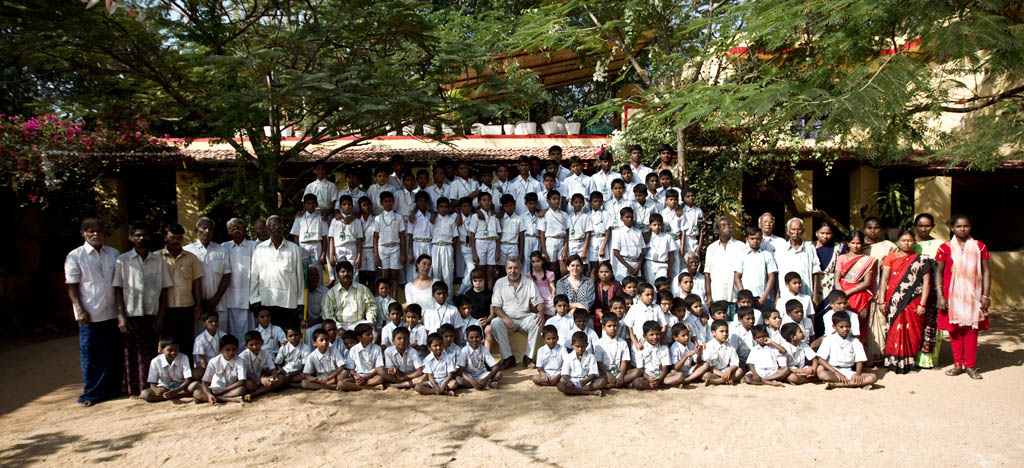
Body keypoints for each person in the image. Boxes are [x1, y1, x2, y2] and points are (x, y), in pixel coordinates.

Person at [65, 218, 122, 406]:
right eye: (91, 231)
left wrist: (121, 313)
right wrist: (79, 309)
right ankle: (91, 393)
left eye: (99, 231)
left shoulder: (113, 254)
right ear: (83, 234)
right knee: (91, 356)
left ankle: (112, 390)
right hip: (90, 315)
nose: (95, 234)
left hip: (111, 313)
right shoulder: (76, 256)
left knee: (112, 354)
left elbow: (119, 285)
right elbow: (72, 286)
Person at [112, 221, 173, 396]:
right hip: (131, 313)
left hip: (152, 314)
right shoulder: (122, 260)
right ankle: (134, 389)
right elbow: (118, 289)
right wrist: (121, 316)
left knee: (150, 353)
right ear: (131, 238)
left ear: (150, 237)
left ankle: (150, 388)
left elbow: (164, 289)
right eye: (137, 235)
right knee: (131, 353)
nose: (141, 238)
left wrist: (161, 315)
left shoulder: (158, 260)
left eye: (144, 235)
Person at [935, 214, 991, 379]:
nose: (962, 229)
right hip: (951, 295)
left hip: (973, 294)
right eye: (959, 226)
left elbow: (987, 272)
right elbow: (938, 272)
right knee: (955, 330)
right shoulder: (945, 248)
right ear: (952, 228)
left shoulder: (979, 247)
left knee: (971, 330)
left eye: (966, 226)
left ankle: (970, 366)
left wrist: (986, 295)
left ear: (970, 227)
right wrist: (940, 295)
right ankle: (958, 364)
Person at [878, 229, 934, 374]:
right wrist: (881, 300)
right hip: (894, 300)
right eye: (903, 241)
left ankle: (910, 362)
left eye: (909, 240)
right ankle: (892, 361)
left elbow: (927, 283)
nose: (906, 243)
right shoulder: (890, 258)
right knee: (894, 329)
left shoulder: (921, 259)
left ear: (914, 242)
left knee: (913, 330)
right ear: (898, 242)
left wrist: (922, 304)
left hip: (914, 300)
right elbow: (884, 280)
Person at [249, 215, 305, 331]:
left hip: (289, 302)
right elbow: (254, 276)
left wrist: (300, 301)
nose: (277, 227)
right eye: (273, 225)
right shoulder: (260, 249)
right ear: (267, 229)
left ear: (283, 227)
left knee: (290, 335)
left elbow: (299, 276)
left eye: (279, 224)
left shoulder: (294, 249)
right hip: (267, 301)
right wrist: (254, 299)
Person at [158, 223, 204, 359]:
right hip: (166, 308)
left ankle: (187, 370)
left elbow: (197, 282)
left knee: (186, 343)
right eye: (172, 238)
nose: (176, 241)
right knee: (168, 344)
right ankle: (169, 371)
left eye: (179, 238)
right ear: (165, 238)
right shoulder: (156, 257)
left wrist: (199, 305)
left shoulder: (191, 258)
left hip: (187, 307)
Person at [490, 257, 546, 369]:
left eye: (516, 268)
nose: (513, 271)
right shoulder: (500, 283)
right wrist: (505, 318)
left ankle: (528, 357)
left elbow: (539, 302)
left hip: (525, 319)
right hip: (508, 320)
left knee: (537, 321)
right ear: (506, 269)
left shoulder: (529, 282)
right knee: (495, 323)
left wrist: (540, 312)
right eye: (510, 268)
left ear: (520, 269)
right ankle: (508, 358)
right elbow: (496, 307)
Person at [185, 217, 232, 328]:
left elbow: (227, 275)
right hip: (197, 304)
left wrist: (215, 299)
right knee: (199, 335)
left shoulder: (221, 250)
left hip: (219, 303)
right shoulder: (187, 250)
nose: (207, 231)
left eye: (210, 229)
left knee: (220, 334)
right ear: (196, 231)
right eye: (204, 228)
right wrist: (199, 301)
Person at [911, 213, 944, 369]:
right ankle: (910, 357)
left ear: (933, 226)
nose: (923, 229)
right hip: (911, 292)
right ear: (915, 226)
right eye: (920, 226)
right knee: (913, 324)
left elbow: (944, 269)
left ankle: (929, 359)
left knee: (932, 324)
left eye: (927, 226)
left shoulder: (940, 245)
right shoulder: (907, 243)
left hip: (933, 291)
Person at [863, 217, 896, 364]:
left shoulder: (888, 246)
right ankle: (866, 356)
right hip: (863, 290)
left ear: (880, 229)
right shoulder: (859, 247)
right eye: (869, 228)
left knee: (881, 321)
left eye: (876, 228)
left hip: (882, 289)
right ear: (864, 229)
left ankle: (880, 354)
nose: (873, 231)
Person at [816, 312, 879, 388]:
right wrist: (836, 372)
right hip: (833, 371)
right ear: (834, 327)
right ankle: (856, 384)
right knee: (822, 374)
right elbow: (821, 359)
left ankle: (836, 384)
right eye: (841, 327)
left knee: (873, 377)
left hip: (848, 371)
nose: (845, 329)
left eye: (847, 326)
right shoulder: (828, 339)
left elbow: (859, 360)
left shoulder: (855, 341)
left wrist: (858, 374)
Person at [833, 230, 877, 340]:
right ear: (848, 243)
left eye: (858, 243)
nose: (855, 246)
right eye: (853, 243)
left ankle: (858, 347)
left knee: (859, 323)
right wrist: (841, 295)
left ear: (862, 244)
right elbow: (837, 280)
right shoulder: (842, 258)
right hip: (842, 294)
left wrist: (847, 292)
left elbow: (867, 282)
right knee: (842, 321)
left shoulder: (867, 260)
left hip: (859, 296)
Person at [222, 218, 257, 342]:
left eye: (239, 226)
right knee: (232, 330)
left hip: (249, 296)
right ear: (228, 231)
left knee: (250, 330)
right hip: (230, 297)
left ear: (245, 229)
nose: (236, 229)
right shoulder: (224, 247)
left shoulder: (253, 245)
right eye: (233, 227)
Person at [774, 218, 823, 305]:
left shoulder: (809, 247)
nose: (796, 232)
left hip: (806, 294)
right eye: (793, 229)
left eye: (798, 229)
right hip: (785, 295)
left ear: (803, 231)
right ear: (787, 231)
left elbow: (815, 272)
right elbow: (776, 274)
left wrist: (815, 295)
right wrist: (777, 295)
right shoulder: (781, 249)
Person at [321, 261, 377, 332]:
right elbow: (327, 313)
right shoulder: (331, 293)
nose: (346, 274)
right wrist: (338, 327)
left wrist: (370, 321)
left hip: (360, 323)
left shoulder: (363, 289)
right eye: (343, 272)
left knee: (372, 332)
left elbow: (372, 306)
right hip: (340, 325)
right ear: (337, 275)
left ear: (353, 273)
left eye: (348, 271)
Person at [703, 217, 745, 312]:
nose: (727, 227)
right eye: (723, 226)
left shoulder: (741, 246)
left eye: (729, 225)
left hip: (735, 296)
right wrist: (708, 295)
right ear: (717, 230)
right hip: (717, 295)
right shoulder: (711, 248)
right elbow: (707, 273)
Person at [733, 226, 778, 311]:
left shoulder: (767, 255)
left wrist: (764, 297)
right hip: (746, 299)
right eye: (752, 238)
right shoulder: (742, 255)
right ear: (747, 239)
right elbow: (737, 277)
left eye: (758, 239)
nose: (755, 241)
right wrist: (743, 296)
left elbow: (771, 277)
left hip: (762, 297)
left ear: (761, 239)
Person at [193, 334, 247, 404]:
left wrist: (222, 391)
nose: (231, 352)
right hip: (215, 389)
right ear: (221, 350)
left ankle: (213, 398)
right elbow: (204, 382)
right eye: (227, 350)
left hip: (230, 389)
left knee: (241, 390)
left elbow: (242, 381)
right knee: (196, 393)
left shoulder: (240, 361)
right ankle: (230, 399)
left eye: (234, 349)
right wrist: (209, 395)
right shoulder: (214, 361)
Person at [140, 336, 196, 402]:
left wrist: (175, 391)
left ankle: (173, 395)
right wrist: (156, 389)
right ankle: (172, 395)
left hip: (181, 387)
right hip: (164, 388)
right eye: (170, 350)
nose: (173, 352)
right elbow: (152, 383)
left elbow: (188, 380)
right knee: (145, 394)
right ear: (162, 350)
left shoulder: (184, 357)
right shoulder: (155, 361)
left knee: (195, 385)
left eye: (176, 349)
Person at [374, 191, 406, 295]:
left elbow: (402, 236)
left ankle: (394, 299)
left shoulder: (398, 217)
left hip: (395, 248)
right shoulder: (378, 218)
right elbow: (375, 238)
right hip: (383, 249)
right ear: (381, 203)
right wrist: (376, 256)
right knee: (385, 276)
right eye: (385, 201)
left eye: (390, 201)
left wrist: (403, 254)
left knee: (394, 276)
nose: (388, 203)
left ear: (393, 202)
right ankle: (385, 299)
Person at [594, 314, 638, 389]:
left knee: (637, 371)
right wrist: (608, 375)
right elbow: (599, 363)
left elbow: (624, 361)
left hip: (618, 373)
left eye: (614, 326)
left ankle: (614, 384)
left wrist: (621, 376)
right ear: (603, 327)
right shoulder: (599, 343)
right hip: (605, 374)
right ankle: (620, 384)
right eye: (609, 326)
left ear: (618, 326)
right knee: (599, 380)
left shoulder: (622, 342)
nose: (612, 328)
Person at [238, 330, 286, 399]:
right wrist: (260, 380)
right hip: (252, 380)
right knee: (248, 385)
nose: (255, 347)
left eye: (257, 343)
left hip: (263, 378)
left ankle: (254, 394)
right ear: (246, 346)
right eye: (251, 345)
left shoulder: (265, 352)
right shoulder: (243, 357)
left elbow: (273, 369)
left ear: (262, 342)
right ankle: (263, 390)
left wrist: (273, 377)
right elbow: (244, 377)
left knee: (281, 378)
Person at [338, 323, 386, 391]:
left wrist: (366, 378)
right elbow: (350, 368)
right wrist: (355, 376)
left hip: (371, 376)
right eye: (367, 334)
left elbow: (378, 367)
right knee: (341, 383)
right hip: (358, 376)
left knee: (379, 379)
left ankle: (356, 386)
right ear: (359, 338)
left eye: (371, 333)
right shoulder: (353, 349)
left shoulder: (377, 348)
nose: (371, 336)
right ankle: (372, 387)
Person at [557, 331, 605, 396]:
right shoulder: (568, 357)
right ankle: (590, 392)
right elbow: (565, 374)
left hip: (586, 382)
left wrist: (586, 381)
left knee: (602, 381)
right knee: (560, 385)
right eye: (577, 346)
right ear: (572, 345)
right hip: (572, 382)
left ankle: (574, 391)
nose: (580, 349)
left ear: (587, 345)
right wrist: (568, 382)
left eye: (583, 346)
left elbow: (592, 374)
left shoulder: (591, 357)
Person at [328, 195, 363, 282]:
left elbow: (359, 240)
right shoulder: (334, 221)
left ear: (352, 206)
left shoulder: (357, 221)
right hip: (338, 248)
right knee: (339, 272)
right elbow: (331, 239)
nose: (347, 206)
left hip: (352, 247)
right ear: (340, 206)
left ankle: (354, 289)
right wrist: (331, 256)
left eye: (349, 204)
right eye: (344, 204)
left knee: (353, 272)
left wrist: (359, 256)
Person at [456, 325, 503, 390]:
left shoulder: (484, 349)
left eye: (477, 337)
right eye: (471, 338)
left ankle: (482, 383)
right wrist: (472, 381)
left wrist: (486, 378)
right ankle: (486, 384)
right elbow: (462, 372)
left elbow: (495, 367)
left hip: (482, 374)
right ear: (467, 339)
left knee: (499, 374)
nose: (474, 340)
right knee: (459, 380)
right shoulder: (464, 351)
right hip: (469, 376)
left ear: (482, 338)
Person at [290, 194, 329, 268]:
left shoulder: (321, 218)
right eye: (308, 203)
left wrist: (323, 253)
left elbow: (324, 237)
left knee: (317, 268)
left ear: (316, 204)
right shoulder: (299, 218)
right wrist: (298, 250)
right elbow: (296, 236)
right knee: (304, 269)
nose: (311, 206)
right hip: (303, 246)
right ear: (304, 205)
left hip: (316, 245)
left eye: (313, 203)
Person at [430, 197, 459, 296]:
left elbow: (455, 236)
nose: (443, 209)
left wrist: (452, 249)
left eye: (446, 207)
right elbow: (431, 232)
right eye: (441, 207)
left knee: (448, 273)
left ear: (449, 208)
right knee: (436, 273)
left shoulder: (451, 220)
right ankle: (436, 298)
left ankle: (449, 299)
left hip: (447, 246)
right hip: (436, 246)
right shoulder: (433, 219)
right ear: (437, 207)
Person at [632, 321, 673, 390]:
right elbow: (640, 369)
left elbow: (665, 369)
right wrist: (648, 378)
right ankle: (660, 385)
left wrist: (659, 379)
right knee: (637, 382)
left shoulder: (664, 348)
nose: (655, 337)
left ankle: (656, 385)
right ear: (644, 336)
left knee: (679, 376)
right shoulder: (641, 349)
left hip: (661, 376)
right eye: (651, 335)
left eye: (657, 334)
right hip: (646, 376)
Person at [815, 221, 846, 311]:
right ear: (816, 233)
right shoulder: (810, 247)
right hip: (813, 283)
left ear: (832, 234)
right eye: (822, 233)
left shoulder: (838, 248)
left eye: (828, 233)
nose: (825, 236)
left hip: (830, 285)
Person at [702, 319, 743, 385]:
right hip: (714, 372)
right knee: (706, 375)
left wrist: (729, 371)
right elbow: (708, 365)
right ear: (713, 333)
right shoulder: (708, 346)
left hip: (726, 371)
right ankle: (727, 380)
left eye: (726, 331)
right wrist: (721, 374)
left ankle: (718, 381)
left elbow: (735, 363)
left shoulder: (730, 347)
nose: (725, 334)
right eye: (722, 331)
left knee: (739, 371)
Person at [405, 191, 433, 283]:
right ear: (416, 202)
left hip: (428, 244)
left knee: (428, 267)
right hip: (416, 244)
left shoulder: (431, 216)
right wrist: (410, 252)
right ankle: (414, 288)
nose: (423, 203)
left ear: (428, 202)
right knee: (415, 268)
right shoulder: (413, 217)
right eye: (420, 201)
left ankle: (427, 287)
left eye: (425, 201)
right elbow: (410, 235)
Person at [611, 207, 645, 280]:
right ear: (621, 219)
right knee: (623, 283)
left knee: (635, 284)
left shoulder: (638, 232)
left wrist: (638, 266)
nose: (630, 219)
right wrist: (628, 266)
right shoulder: (619, 233)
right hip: (624, 263)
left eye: (631, 217)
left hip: (636, 263)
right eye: (627, 217)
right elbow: (616, 252)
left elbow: (643, 251)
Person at [527, 251, 556, 317]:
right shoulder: (529, 275)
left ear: (542, 261)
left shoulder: (549, 274)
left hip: (547, 296)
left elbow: (552, 287)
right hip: (536, 297)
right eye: (533, 262)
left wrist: (553, 294)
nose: (536, 264)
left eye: (538, 261)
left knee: (551, 304)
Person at [680, 188, 703, 254]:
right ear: (683, 199)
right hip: (683, 239)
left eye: (692, 196)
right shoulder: (681, 211)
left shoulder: (698, 211)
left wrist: (700, 244)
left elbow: (701, 228)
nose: (691, 198)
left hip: (694, 238)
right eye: (688, 196)